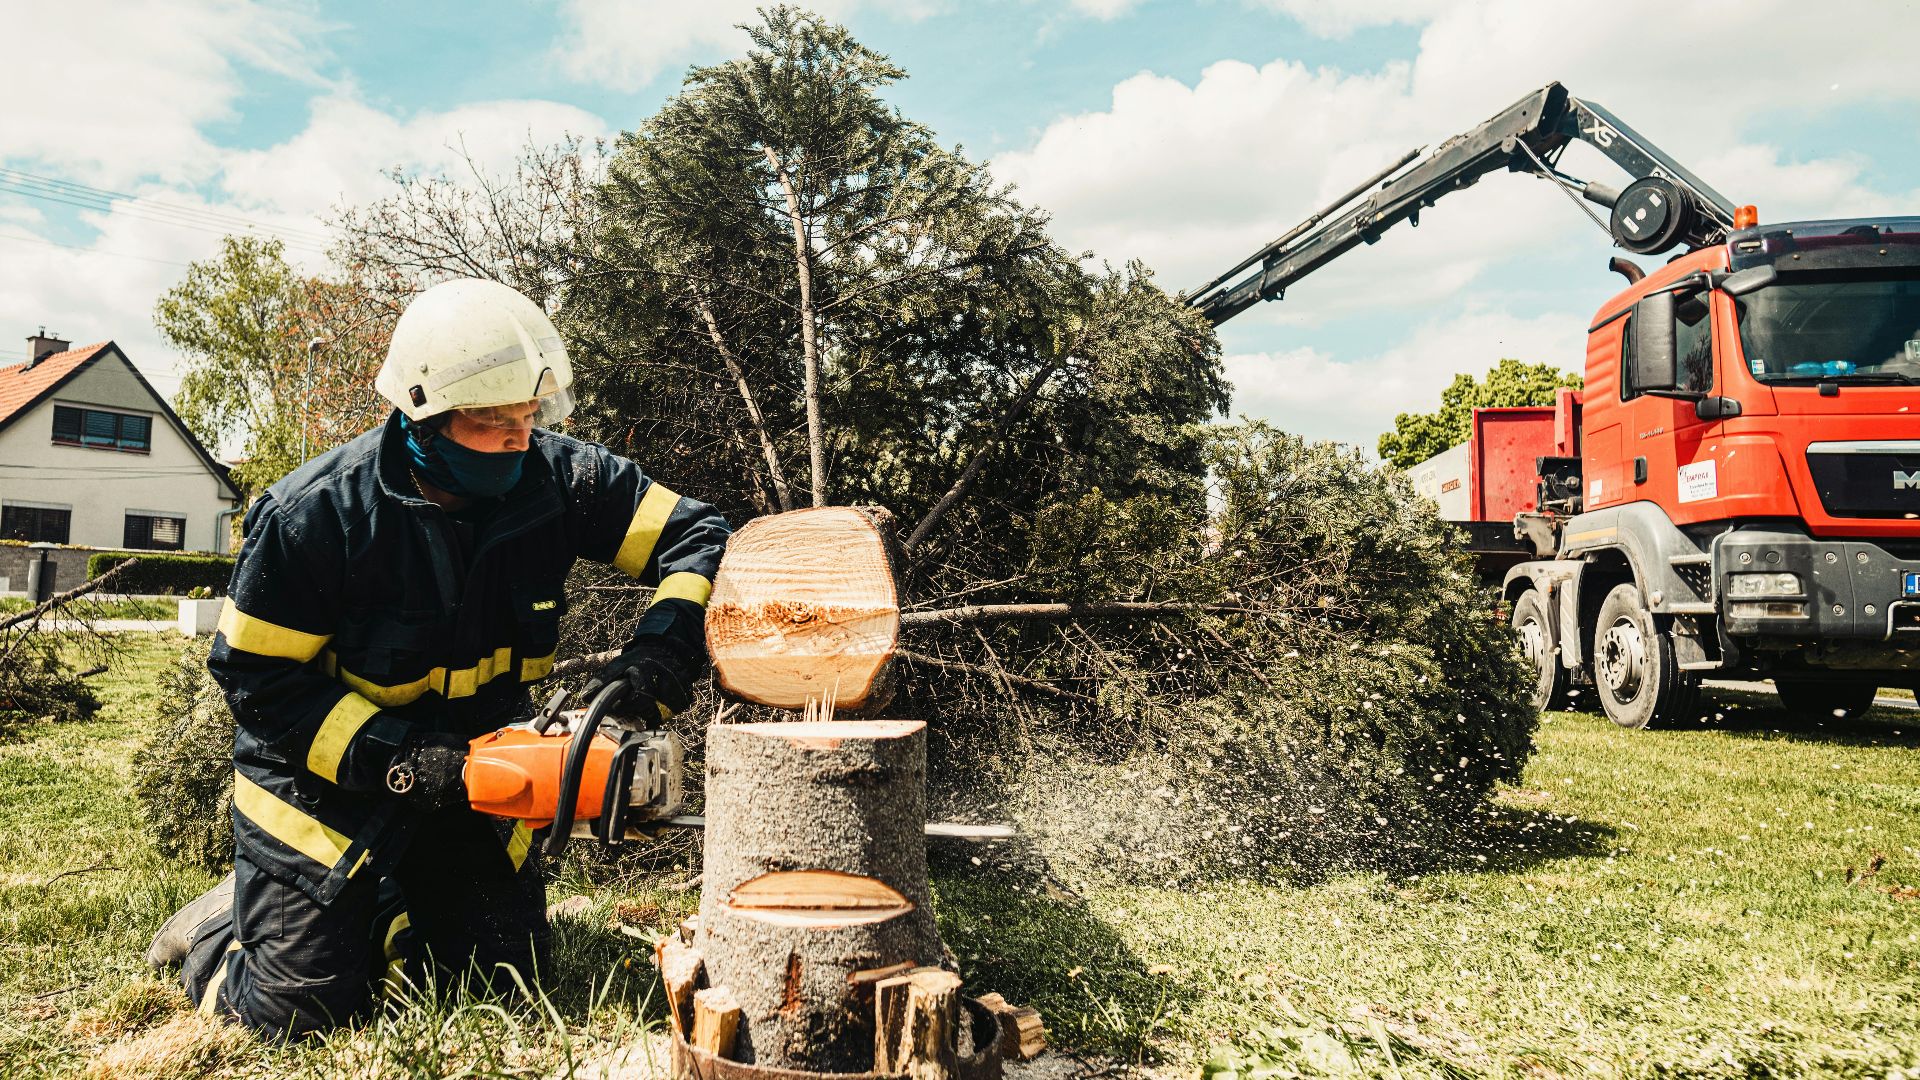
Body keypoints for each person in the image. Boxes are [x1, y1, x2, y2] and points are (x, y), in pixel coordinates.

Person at [145, 278, 731, 1038]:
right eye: (494, 425)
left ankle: (385, 909)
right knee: (297, 1014)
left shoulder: (560, 481)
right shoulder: (314, 516)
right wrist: (405, 762)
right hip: (319, 785)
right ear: (423, 416)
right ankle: (221, 931)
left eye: (530, 416)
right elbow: (258, 682)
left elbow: (699, 536)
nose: (522, 440)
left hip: (478, 768)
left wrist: (658, 658)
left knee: (503, 984)